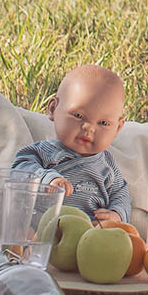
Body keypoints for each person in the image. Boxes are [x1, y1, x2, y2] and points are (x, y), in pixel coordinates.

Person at [13, 64, 131, 223]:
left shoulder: (107, 167)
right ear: (53, 108)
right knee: (22, 235)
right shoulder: (44, 152)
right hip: (42, 233)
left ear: (118, 128)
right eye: (78, 115)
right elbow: (19, 170)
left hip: (87, 237)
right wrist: (47, 178)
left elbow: (122, 195)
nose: (89, 128)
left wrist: (116, 215)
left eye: (103, 123)